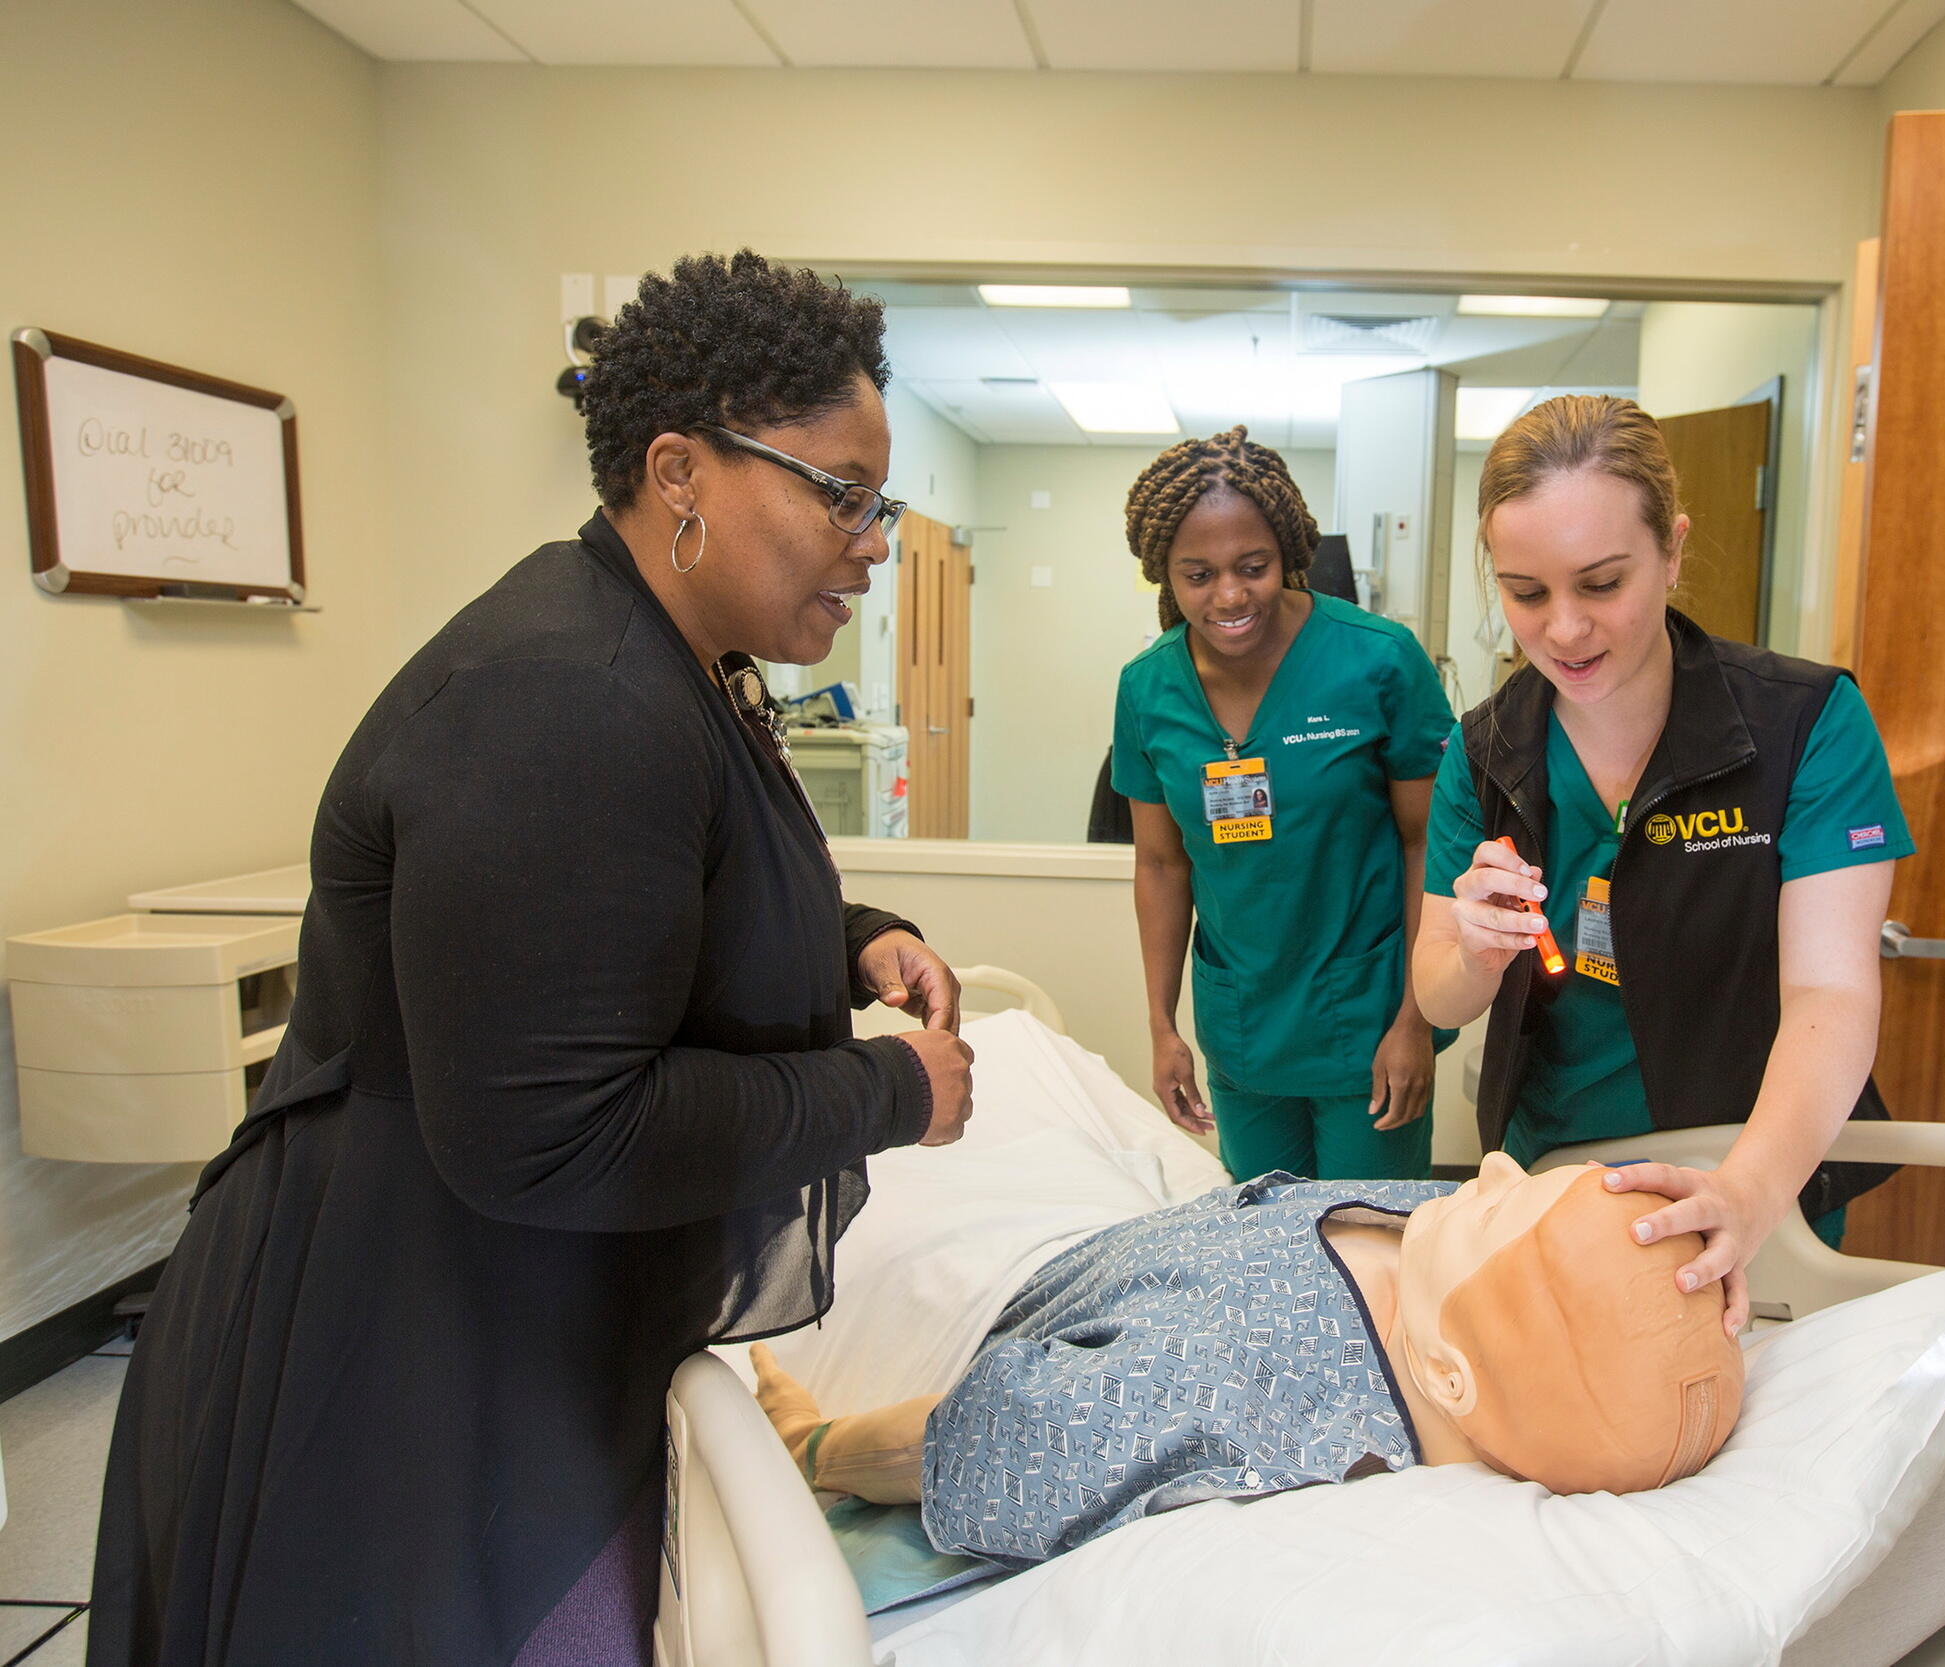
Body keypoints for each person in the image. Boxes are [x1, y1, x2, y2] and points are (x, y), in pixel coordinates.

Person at [88, 252, 977, 1667]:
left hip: (502, 1295)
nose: (873, 540)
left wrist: (855, 932)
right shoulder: (566, 695)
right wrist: (890, 1092)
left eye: (884, 501)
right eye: (841, 494)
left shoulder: (663, 656)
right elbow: (556, 1131)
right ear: (680, 470)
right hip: (403, 1332)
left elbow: (656, 890)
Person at [1410, 395, 1912, 1337]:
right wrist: (1473, 952)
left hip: (1754, 1169)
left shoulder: (1803, 726)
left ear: (1673, 551)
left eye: (1601, 583)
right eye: (1526, 592)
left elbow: (1831, 996)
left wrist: (1750, 1191)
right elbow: (1437, 994)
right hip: (1560, 1178)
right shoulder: (1483, 752)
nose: (1564, 630)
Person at [751, 1154, 1743, 1569]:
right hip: (1131, 1219)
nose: (1486, 1166)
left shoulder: (1225, 1388)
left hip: (989, 1277)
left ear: (1446, 1377)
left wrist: (813, 1441)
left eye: (1495, 1203)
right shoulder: (1456, 1263)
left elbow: (974, 1440)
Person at [1113, 428, 1456, 1182]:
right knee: (1265, 1246)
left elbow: (1426, 843)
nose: (1229, 596)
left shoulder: (1378, 659)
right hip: (1245, 1026)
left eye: (1253, 567)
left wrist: (1417, 1019)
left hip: (1372, 1021)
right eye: (1197, 574)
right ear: (1163, 572)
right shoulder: (1148, 689)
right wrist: (1162, 1024)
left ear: (1289, 551)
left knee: (1373, 1248)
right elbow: (1162, 864)